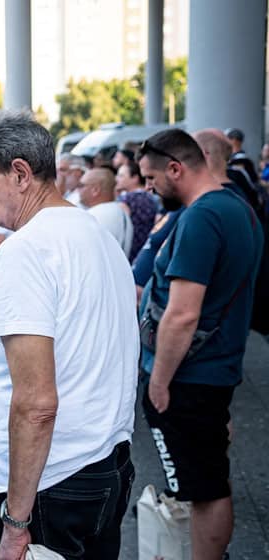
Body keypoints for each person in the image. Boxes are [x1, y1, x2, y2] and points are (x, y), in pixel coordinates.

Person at [0, 110, 137, 560]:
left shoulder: (26, 249)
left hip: (51, 484)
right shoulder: (94, 234)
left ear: (20, 173)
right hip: (103, 465)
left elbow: (36, 402)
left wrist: (16, 523)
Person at [137, 129, 264, 559]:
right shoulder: (236, 208)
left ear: (176, 168)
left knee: (202, 488)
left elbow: (183, 312)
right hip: (214, 369)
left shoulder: (202, 217)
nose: (149, 189)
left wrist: (159, 381)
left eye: (152, 179)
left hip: (190, 377)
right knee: (211, 477)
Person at [80, 168, 134, 257]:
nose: (78, 190)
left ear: (95, 190)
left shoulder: (92, 217)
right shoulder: (120, 212)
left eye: (81, 185)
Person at [116, 161, 159, 262]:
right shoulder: (152, 198)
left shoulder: (126, 199)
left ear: (135, 178)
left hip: (129, 254)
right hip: (145, 252)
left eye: (121, 176)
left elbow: (119, 228)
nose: (117, 179)